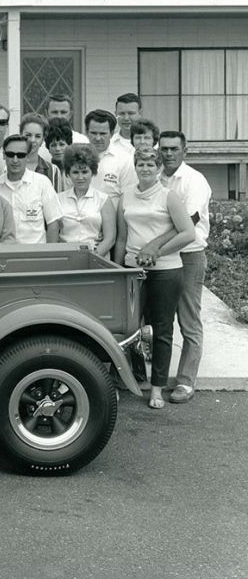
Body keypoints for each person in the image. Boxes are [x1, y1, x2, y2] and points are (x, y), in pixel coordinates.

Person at [114, 146, 195, 409]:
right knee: (128, 329)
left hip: (165, 271)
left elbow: (187, 233)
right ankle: (131, 381)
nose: (145, 169)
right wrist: (117, 268)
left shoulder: (168, 197)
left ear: (159, 168)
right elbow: (122, 238)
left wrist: (156, 251)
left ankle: (157, 388)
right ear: (135, 167)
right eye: (141, 164)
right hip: (132, 270)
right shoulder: (125, 196)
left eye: (151, 164)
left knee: (161, 330)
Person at [139, 131, 211, 404]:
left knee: (189, 320)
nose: (168, 153)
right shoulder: (156, 176)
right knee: (157, 321)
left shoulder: (194, 180)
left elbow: (187, 222)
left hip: (189, 255)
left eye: (174, 149)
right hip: (159, 260)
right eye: (164, 149)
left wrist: (153, 246)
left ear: (185, 151)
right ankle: (150, 376)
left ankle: (185, 382)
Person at [0, 135, 62, 244]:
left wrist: (49, 256)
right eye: (10, 155)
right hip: (4, 255)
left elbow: (53, 223)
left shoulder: (42, 183)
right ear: (4, 156)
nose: (15, 160)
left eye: (20, 155)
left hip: (35, 256)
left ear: (28, 156)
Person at [57, 144, 116, 256]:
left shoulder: (103, 199)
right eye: (75, 172)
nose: (80, 177)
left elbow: (110, 239)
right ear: (68, 173)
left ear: (92, 172)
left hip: (97, 259)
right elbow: (54, 235)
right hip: (66, 259)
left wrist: (92, 258)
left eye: (84, 172)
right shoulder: (58, 199)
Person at [85, 109, 138, 207]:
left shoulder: (125, 160)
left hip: (112, 220)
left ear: (112, 133)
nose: (97, 138)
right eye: (93, 133)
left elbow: (128, 198)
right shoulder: (76, 157)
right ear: (86, 132)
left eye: (103, 134)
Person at [20, 113, 64, 192]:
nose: (32, 140)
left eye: (37, 136)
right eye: (28, 135)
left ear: (43, 139)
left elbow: (56, 202)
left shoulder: (53, 171)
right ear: (20, 135)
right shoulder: (9, 166)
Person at [110, 92, 140, 158]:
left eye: (131, 113)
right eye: (122, 113)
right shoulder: (108, 143)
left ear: (140, 113)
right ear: (115, 114)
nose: (126, 118)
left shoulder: (153, 144)